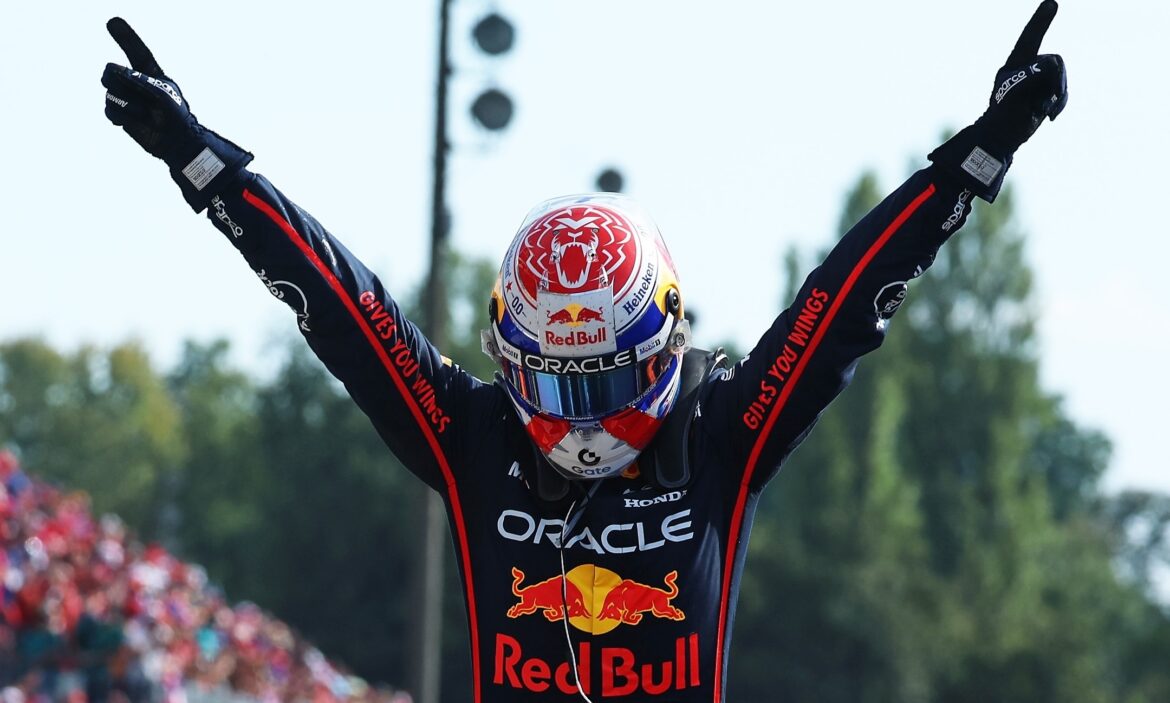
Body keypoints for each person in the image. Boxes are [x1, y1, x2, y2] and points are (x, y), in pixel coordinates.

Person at [101, 2, 1068, 701]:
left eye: (606, 379)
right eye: (554, 385)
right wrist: (206, 166)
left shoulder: (723, 433)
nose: (582, 417)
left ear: (667, 339)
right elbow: (344, 309)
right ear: (508, 358)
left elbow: (843, 303)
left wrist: (976, 157)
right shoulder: (471, 435)